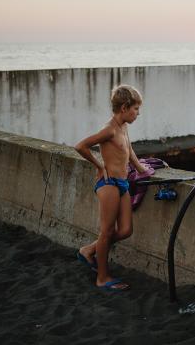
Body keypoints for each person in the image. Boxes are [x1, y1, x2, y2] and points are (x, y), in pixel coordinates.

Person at [74, 84, 148, 291]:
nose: (138, 113)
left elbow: (129, 149)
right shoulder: (109, 130)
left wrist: (141, 169)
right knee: (106, 232)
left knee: (125, 230)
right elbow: (80, 146)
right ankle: (102, 278)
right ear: (124, 107)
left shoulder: (123, 127)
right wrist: (99, 165)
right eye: (135, 109)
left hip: (122, 183)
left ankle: (88, 250)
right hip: (109, 184)